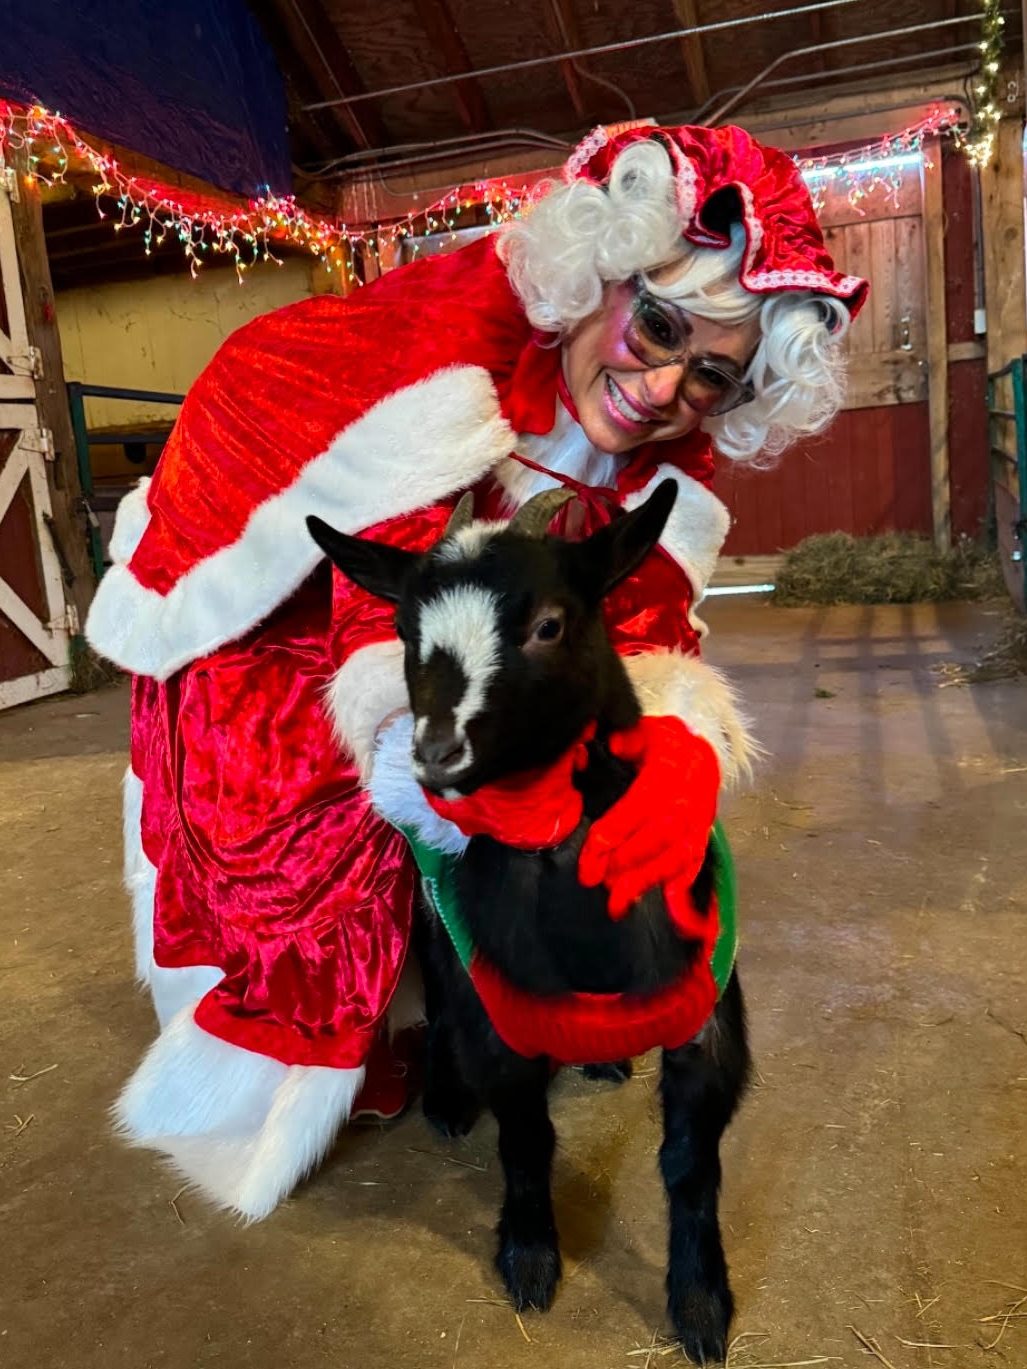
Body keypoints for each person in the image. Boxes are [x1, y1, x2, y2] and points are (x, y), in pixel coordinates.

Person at [86, 122, 868, 1221]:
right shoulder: (450, 348)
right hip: (290, 586)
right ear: (601, 276)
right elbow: (375, 612)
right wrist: (448, 768)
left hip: (458, 583)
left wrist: (675, 742)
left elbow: (643, 624)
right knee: (308, 805)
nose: (660, 388)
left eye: (709, 375)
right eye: (656, 327)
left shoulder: (667, 445)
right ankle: (332, 1037)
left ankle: (477, 994)